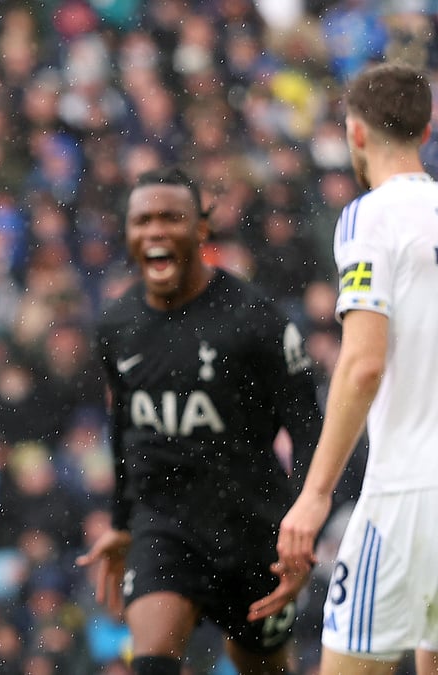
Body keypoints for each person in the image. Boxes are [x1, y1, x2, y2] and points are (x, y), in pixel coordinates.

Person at [76, 166, 322, 675]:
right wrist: (122, 524)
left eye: (172, 217)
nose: (156, 231)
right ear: (128, 233)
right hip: (165, 525)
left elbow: (307, 429)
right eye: (144, 220)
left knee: (263, 665)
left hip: (252, 526)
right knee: (151, 663)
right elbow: (123, 430)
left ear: (201, 229)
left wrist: (305, 524)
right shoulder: (116, 325)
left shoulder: (256, 319)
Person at [269, 62, 438, 675]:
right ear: (427, 126)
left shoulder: (370, 216)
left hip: (405, 493)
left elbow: (363, 364)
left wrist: (315, 497)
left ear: (356, 134)